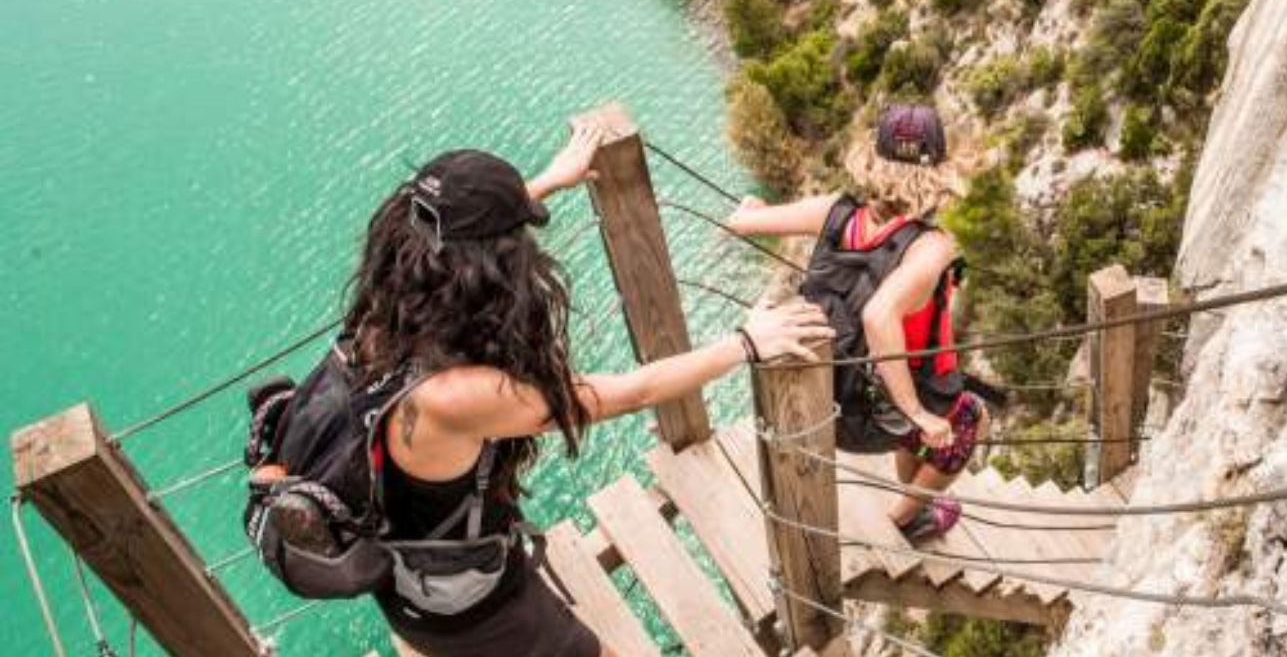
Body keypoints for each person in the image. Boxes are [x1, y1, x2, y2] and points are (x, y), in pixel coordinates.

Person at [253, 112, 828, 657]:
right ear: (493, 266)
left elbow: (453, 239)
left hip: (408, 581)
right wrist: (746, 342)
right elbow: (628, 392)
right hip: (469, 609)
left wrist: (552, 178)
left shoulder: (385, 311)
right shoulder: (458, 397)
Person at [726, 103, 987, 543]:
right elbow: (879, 315)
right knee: (966, 419)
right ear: (939, 171)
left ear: (872, 160)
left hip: (822, 404)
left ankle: (911, 482)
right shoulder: (931, 247)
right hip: (878, 416)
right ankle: (904, 520)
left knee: (922, 408)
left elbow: (740, 222)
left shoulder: (835, 211)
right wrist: (917, 413)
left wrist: (751, 207)